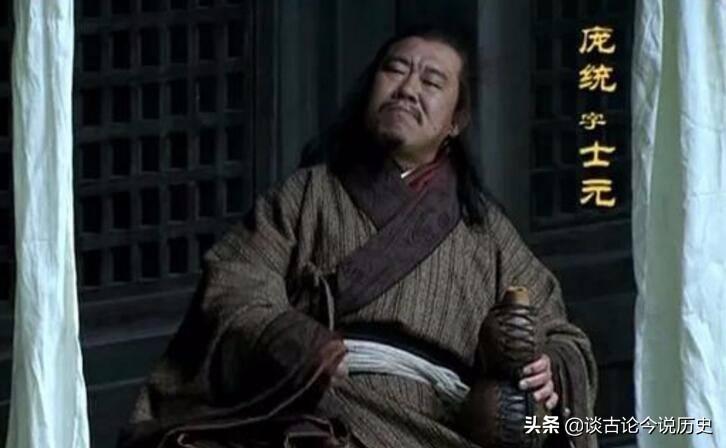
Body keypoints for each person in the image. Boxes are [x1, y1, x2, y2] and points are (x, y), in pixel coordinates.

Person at [119, 26, 597, 448]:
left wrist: (551, 365)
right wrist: (293, 339)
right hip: (316, 401)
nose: (407, 89)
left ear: (456, 121)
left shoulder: (486, 231)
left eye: (431, 82)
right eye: (395, 71)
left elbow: (559, 331)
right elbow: (236, 281)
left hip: (438, 423)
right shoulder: (305, 195)